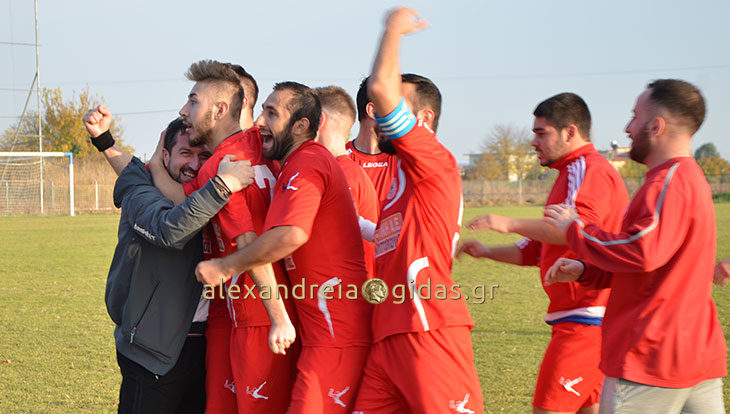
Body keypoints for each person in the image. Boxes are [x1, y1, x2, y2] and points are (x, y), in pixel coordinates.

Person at [543, 79, 727, 413]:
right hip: (694, 355)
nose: (627, 128)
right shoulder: (687, 178)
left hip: (653, 359)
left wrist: (576, 229)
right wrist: (588, 270)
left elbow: (642, 250)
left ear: (656, 126)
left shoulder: (669, 182)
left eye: (634, 116)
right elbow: (655, 264)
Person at [194, 81, 373, 413]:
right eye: (262, 110)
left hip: (337, 332)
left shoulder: (307, 163)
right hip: (321, 332)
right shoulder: (290, 165)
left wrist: (225, 267)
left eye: (272, 113)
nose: (260, 121)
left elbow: (291, 234)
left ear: (302, 126)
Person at [458, 93, 630, 414]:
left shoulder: (585, 170)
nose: (533, 142)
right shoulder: (568, 174)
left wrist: (507, 222)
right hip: (586, 319)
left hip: (586, 320)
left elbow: (571, 229)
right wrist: (486, 252)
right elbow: (536, 250)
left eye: (541, 133)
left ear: (570, 132)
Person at [352, 8, 484, 413]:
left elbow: (380, 87)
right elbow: (386, 232)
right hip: (391, 334)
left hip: (427, 328)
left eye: (396, 107)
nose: (377, 117)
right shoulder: (400, 176)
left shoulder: (432, 158)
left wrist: (392, 30)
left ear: (423, 119)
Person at [83, 105, 254, 413]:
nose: (194, 164)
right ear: (165, 154)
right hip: (152, 350)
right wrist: (223, 184)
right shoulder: (141, 190)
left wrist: (106, 141)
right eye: (185, 153)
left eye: (204, 157)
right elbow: (169, 229)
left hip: (207, 348)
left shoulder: (204, 194)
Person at [150, 60, 297, 414]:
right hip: (240, 312)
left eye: (193, 101)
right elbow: (183, 202)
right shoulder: (256, 145)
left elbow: (247, 242)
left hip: (257, 313)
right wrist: (154, 162)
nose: (184, 110)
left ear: (219, 110)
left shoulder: (222, 163)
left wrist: (277, 316)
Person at [314, 85, 378, 278]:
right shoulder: (340, 169)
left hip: (344, 288)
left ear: (319, 122)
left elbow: (342, 229)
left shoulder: (342, 173)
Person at [346, 76, 398, 208]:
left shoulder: (401, 161)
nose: (398, 116)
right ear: (372, 111)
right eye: (392, 108)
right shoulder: (338, 160)